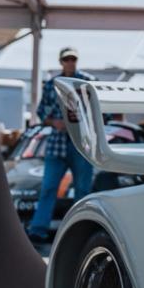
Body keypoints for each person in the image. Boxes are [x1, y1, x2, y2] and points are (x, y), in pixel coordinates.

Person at [26, 47, 94, 244]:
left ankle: (82, 230)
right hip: (57, 144)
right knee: (48, 188)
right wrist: (54, 122)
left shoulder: (86, 83)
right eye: (67, 59)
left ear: (77, 61)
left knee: (83, 190)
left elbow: (97, 113)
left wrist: (80, 124)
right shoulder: (51, 84)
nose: (70, 62)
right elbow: (41, 112)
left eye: (73, 59)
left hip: (81, 144)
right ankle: (38, 230)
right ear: (61, 62)